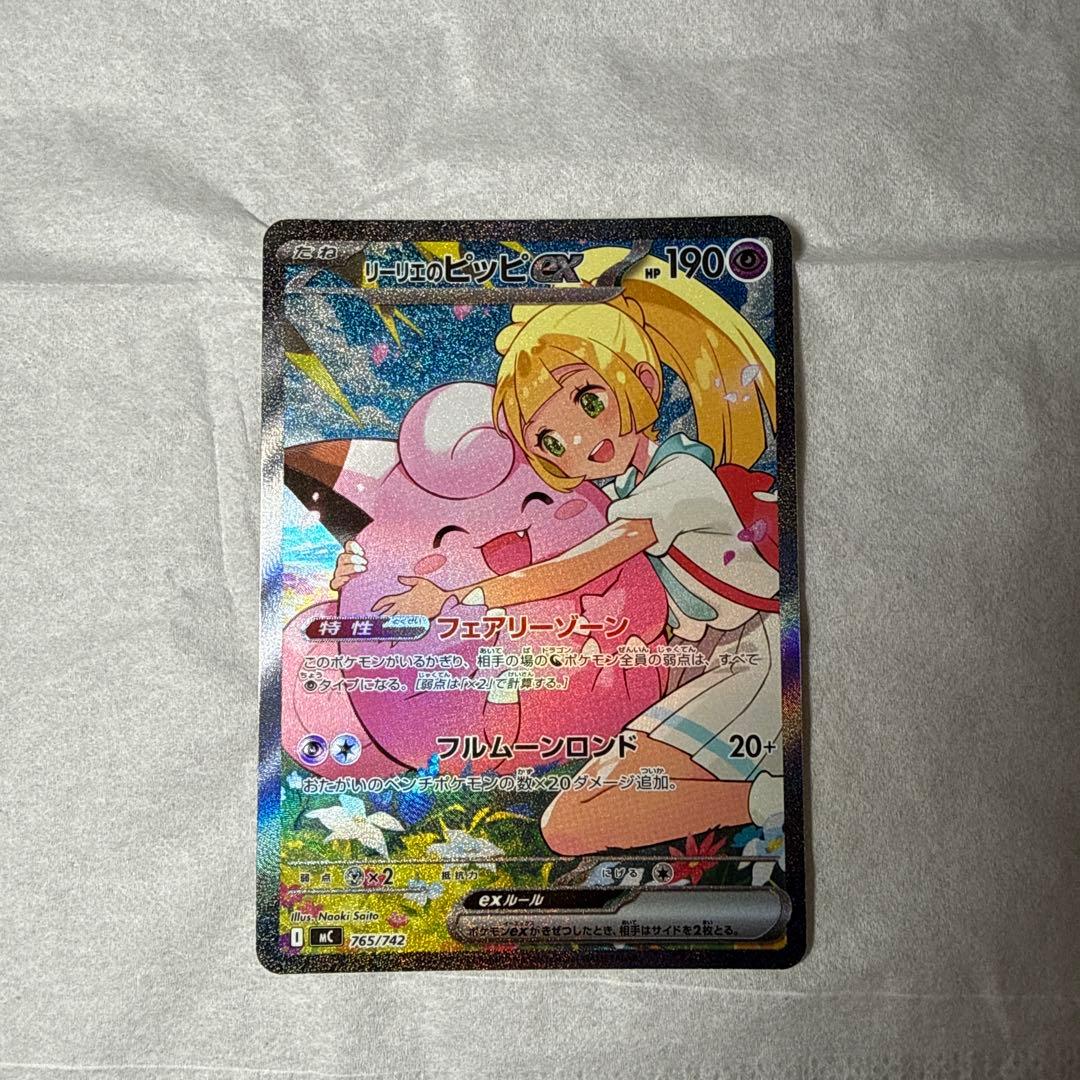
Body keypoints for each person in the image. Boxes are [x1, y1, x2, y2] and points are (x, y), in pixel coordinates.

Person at [341, 248, 786, 855]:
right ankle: (762, 796)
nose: (578, 439)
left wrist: (458, 596)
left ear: (643, 383)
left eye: (590, 401)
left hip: (754, 661)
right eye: (550, 440)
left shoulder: (679, 479)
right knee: (573, 820)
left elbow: (581, 566)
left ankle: (769, 800)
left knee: (572, 822)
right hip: (701, 660)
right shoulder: (620, 489)